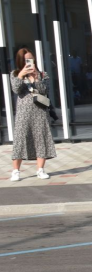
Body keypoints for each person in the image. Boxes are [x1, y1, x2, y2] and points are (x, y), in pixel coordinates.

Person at [9, 48, 56, 181]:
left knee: (41, 138)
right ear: (20, 61)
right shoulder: (15, 73)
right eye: (26, 60)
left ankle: (40, 170)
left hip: (40, 111)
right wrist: (21, 75)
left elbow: (44, 90)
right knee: (20, 139)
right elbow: (16, 89)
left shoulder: (42, 74)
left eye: (31, 59)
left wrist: (36, 78)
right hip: (23, 113)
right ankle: (16, 171)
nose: (29, 62)